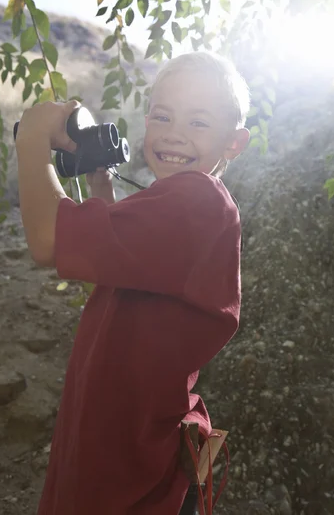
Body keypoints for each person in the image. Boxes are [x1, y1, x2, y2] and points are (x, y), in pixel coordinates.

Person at [15, 51, 250, 515]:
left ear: (234, 143)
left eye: (198, 123)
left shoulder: (196, 201)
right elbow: (114, 263)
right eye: (162, 116)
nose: (174, 133)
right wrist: (100, 179)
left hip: (129, 451)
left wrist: (33, 137)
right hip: (125, 427)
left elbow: (47, 242)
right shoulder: (181, 205)